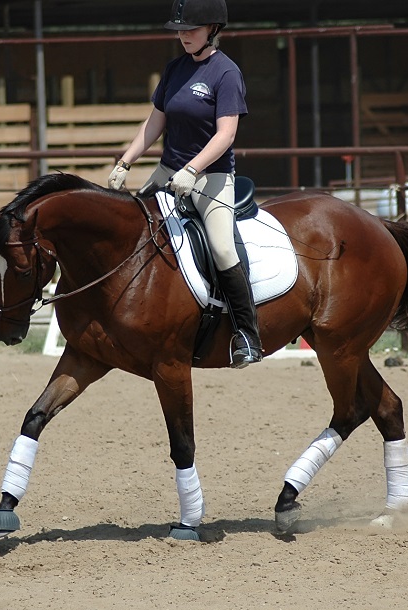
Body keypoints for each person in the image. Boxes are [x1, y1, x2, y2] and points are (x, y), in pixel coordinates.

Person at [108, 0, 262, 368]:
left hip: (212, 177)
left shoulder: (226, 73)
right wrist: (125, 161)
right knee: (130, 230)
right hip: (168, 172)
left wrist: (193, 169)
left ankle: (246, 334)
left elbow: (225, 135)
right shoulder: (174, 69)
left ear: (212, 29)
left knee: (223, 249)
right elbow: (155, 122)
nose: (183, 36)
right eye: (179, 30)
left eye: (190, 29)